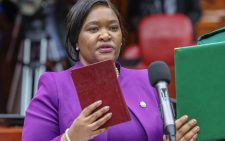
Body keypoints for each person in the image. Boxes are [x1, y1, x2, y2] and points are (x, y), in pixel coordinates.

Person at [22, 0, 200, 141]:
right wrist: (72, 138)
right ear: (76, 41)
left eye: (113, 28)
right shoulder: (55, 86)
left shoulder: (146, 80)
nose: (106, 35)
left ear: (122, 38)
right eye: (93, 29)